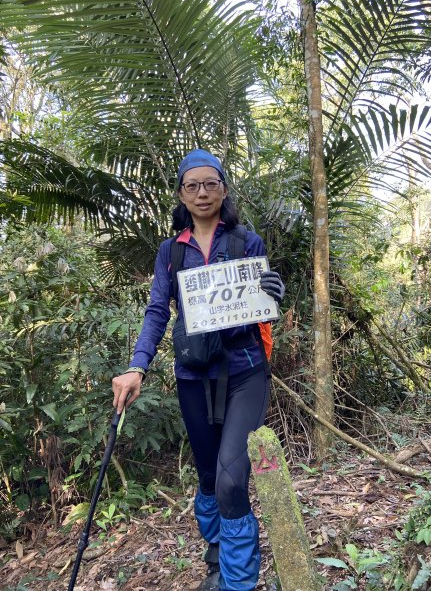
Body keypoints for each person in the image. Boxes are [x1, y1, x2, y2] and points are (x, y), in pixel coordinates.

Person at [112, 149, 284, 591]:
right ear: (182, 194)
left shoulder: (247, 242)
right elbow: (157, 311)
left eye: (211, 184)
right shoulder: (171, 251)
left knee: (231, 477)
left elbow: (265, 307)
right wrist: (137, 366)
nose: (202, 192)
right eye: (193, 185)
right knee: (209, 476)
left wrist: (274, 293)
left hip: (245, 371)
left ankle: (238, 582)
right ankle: (217, 558)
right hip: (193, 376)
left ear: (224, 189)